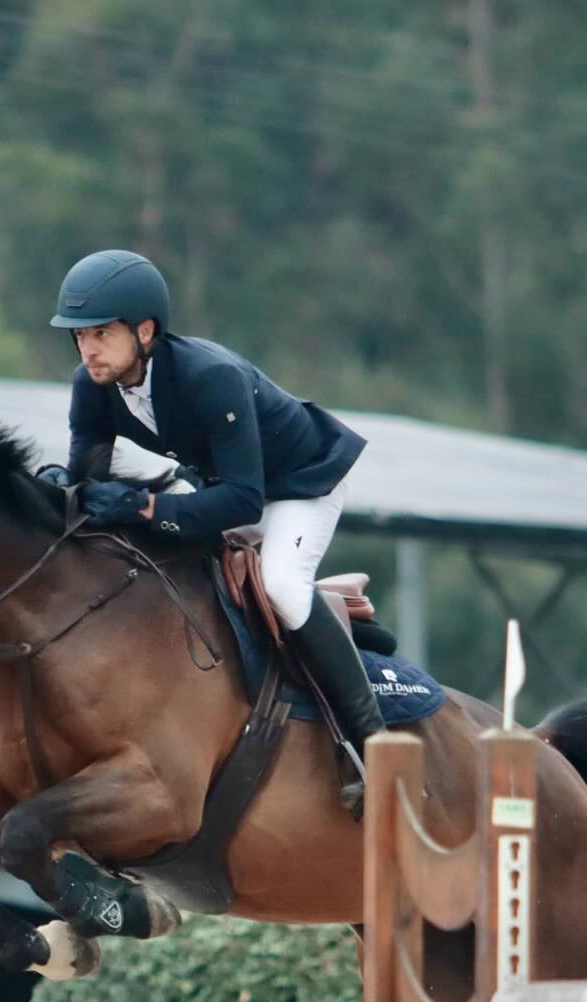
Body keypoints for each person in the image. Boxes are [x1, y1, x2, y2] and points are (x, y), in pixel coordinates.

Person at [48, 247, 383, 812]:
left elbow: (244, 500)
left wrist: (147, 507)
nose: (88, 349)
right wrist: (60, 488)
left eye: (101, 333)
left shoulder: (212, 377)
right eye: (80, 336)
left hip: (299, 485)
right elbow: (86, 475)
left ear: (145, 330)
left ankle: (375, 749)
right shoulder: (93, 385)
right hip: (224, 483)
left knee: (279, 583)